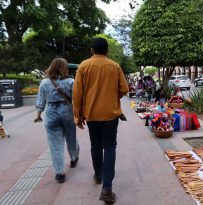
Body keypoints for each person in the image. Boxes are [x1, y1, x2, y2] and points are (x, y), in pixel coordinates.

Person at [73, 37, 129, 204]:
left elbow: (77, 94)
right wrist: (113, 97)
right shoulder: (114, 66)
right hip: (111, 114)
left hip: (91, 115)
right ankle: (107, 188)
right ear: (107, 51)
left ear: (92, 50)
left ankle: (98, 175)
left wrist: (78, 115)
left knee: (95, 146)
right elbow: (124, 89)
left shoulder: (83, 66)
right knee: (110, 147)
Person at [35, 58, 80, 184]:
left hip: (51, 113)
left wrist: (38, 114)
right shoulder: (71, 81)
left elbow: (40, 101)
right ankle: (73, 158)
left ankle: (59, 173)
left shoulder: (44, 82)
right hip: (67, 111)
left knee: (55, 145)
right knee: (71, 137)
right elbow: (77, 100)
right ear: (64, 68)